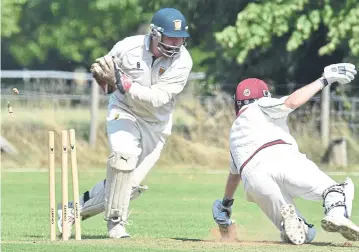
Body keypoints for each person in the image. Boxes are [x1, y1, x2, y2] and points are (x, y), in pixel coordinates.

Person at [57, 7, 192, 239]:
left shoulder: (182, 61)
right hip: (124, 110)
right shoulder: (127, 47)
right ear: (155, 34)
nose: (177, 43)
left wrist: (123, 82)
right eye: (171, 37)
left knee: (129, 184)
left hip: (156, 124)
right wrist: (102, 77)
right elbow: (105, 77)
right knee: (123, 156)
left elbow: (158, 98)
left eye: (180, 38)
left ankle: (72, 210)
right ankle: (116, 224)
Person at [212, 63, 359, 245]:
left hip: (254, 181)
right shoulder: (262, 104)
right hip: (281, 158)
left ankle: (293, 224)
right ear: (263, 96)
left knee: (303, 235)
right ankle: (337, 215)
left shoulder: (234, 131)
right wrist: (324, 80)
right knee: (338, 190)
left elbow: (234, 175)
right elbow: (292, 102)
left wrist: (226, 204)